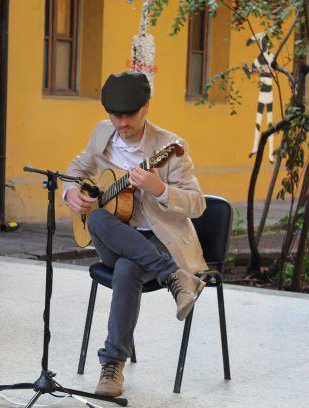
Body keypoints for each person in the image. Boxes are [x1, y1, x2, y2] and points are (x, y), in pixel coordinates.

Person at [63, 71, 208, 396]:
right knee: (98, 219)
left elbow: (197, 205)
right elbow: (74, 171)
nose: (123, 122)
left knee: (127, 270)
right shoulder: (103, 134)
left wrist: (160, 189)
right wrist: (70, 192)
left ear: (146, 107)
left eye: (130, 114)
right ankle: (175, 278)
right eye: (116, 115)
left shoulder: (171, 146)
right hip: (113, 238)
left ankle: (112, 365)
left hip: (157, 240)